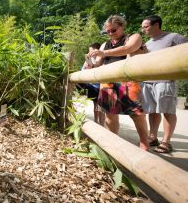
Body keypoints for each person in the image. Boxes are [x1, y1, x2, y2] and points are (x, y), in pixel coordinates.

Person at [89, 15, 149, 151]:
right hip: (108, 82)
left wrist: (103, 52)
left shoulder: (133, 37)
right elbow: (98, 63)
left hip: (129, 81)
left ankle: (144, 144)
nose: (110, 34)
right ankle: (112, 142)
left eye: (113, 30)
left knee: (137, 114)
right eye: (108, 31)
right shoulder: (105, 44)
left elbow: (128, 49)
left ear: (122, 26)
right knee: (110, 114)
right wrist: (91, 61)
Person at [140, 15, 188, 153]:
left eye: (146, 26)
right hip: (148, 82)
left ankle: (166, 142)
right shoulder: (147, 44)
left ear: (157, 25)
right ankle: (153, 137)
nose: (143, 29)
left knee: (167, 110)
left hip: (165, 81)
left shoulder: (174, 37)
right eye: (142, 27)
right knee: (152, 111)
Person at [78, 43, 105, 125]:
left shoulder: (102, 58)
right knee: (96, 104)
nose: (90, 53)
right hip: (92, 85)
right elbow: (83, 71)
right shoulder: (88, 60)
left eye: (91, 51)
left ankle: (101, 123)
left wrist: (93, 65)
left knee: (99, 105)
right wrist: (86, 65)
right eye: (89, 51)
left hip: (100, 85)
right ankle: (96, 121)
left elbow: (99, 67)